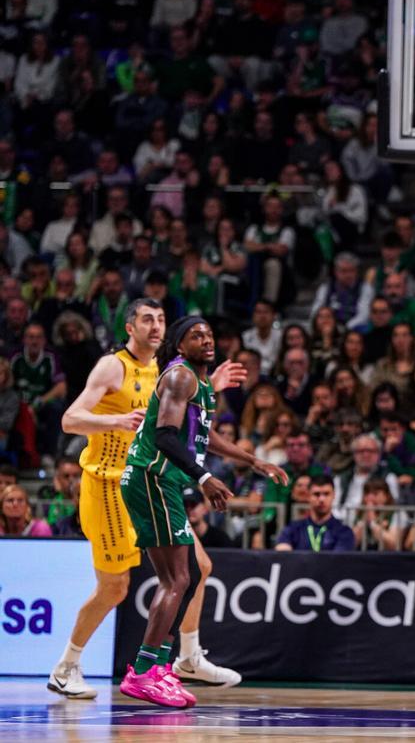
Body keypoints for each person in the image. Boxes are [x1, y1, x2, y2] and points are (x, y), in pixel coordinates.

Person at [51, 300, 243, 701]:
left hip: (153, 481)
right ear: (129, 326)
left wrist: (213, 388)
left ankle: (188, 658)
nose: (156, 326)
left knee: (200, 566)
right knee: (115, 587)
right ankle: (67, 666)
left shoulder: (171, 369)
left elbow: (186, 413)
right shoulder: (112, 366)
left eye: (160, 320)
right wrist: (114, 421)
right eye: (147, 320)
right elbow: (70, 419)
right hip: (107, 483)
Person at [118, 317, 286, 708]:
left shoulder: (199, 383)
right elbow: (163, 435)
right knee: (177, 578)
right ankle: (145, 672)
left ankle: (159, 667)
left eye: (209, 334)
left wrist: (254, 461)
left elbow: (202, 436)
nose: (206, 339)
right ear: (179, 346)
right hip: (152, 477)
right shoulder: (179, 378)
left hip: (160, 481)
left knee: (187, 575)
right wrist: (206, 477)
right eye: (196, 335)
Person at [274, 475, 355, 552]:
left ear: (334, 496)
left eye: (326, 494)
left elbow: (339, 561)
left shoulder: (344, 532)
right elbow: (283, 554)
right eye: (316, 494)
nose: (321, 499)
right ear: (308, 496)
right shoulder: (293, 529)